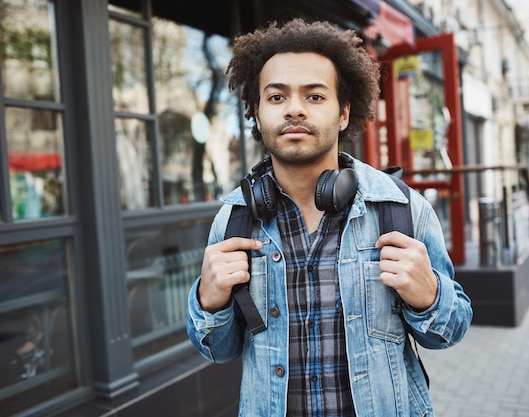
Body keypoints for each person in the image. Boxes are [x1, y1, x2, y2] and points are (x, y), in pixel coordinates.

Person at [186, 19, 472, 417]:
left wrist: (429, 297)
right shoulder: (233, 222)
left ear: (343, 113)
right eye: (276, 97)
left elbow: (449, 333)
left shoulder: (402, 208)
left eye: (315, 96)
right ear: (256, 112)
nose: (295, 109)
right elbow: (218, 350)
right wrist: (209, 301)